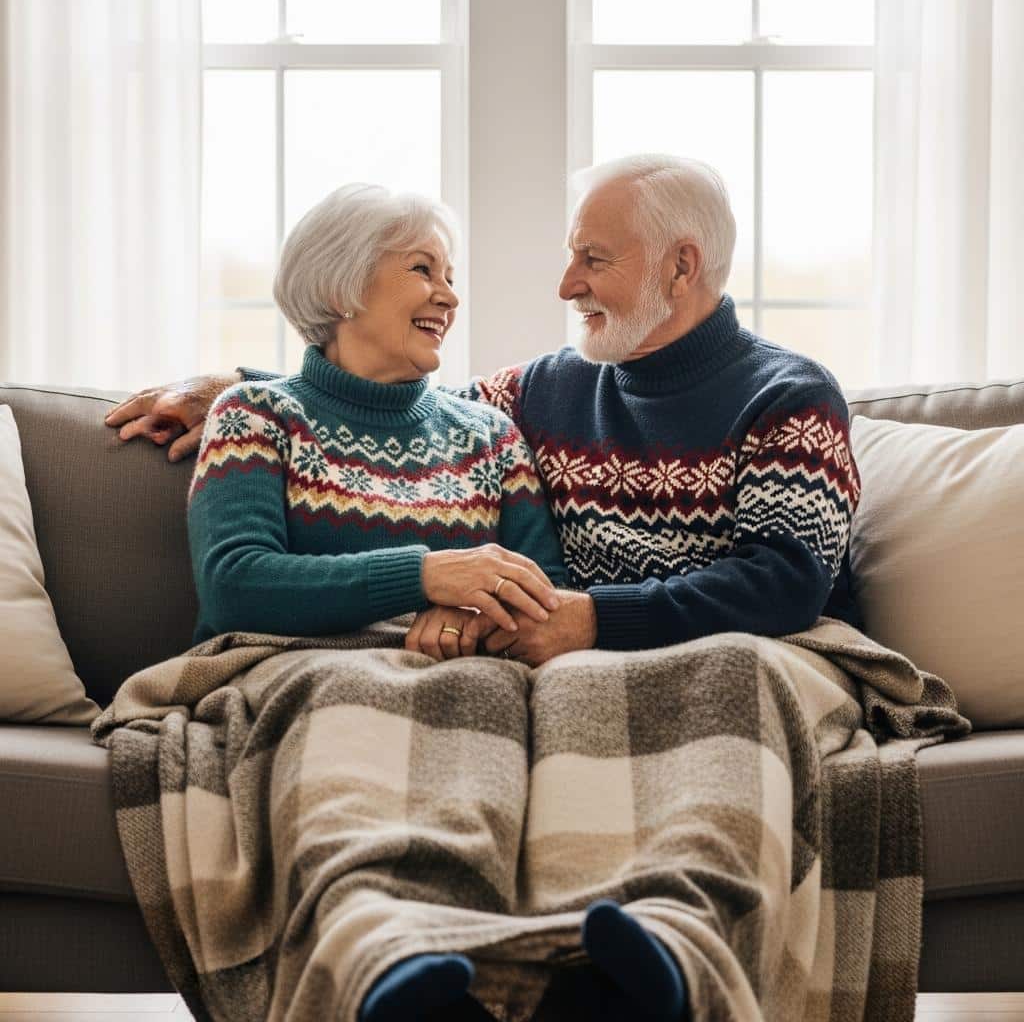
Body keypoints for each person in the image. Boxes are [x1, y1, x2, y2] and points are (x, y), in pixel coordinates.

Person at [106, 153, 863, 1021]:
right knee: (468, 697)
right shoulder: (539, 391)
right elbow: (379, 408)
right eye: (424, 270)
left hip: (698, 647)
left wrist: (580, 618)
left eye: (593, 259)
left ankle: (659, 963)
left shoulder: (789, 396)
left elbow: (784, 583)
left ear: (681, 267)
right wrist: (236, 386)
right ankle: (399, 961)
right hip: (564, 651)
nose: (565, 283)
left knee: (718, 671)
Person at [182, 181, 569, 1022]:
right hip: (303, 677)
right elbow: (235, 580)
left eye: (451, 274)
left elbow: (542, 593)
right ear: (339, 288)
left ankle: (492, 972)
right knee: (352, 716)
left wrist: (470, 617)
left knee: (505, 714)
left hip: (464, 682)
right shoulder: (254, 414)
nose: (450, 294)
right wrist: (424, 575)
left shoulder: (492, 438)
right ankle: (386, 970)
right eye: (422, 269)